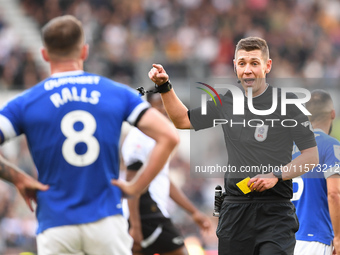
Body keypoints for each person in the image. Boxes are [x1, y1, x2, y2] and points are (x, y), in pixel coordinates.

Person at [0, 15, 179, 255]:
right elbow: (169, 136)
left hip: (55, 223)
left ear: (44, 54)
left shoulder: (26, 102)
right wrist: (136, 187)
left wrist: (18, 178)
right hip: (106, 221)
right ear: (84, 51)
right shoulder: (116, 93)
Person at [148, 37, 319, 255]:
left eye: (254, 63)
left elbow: (311, 156)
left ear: (268, 66)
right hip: (235, 210)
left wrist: (276, 175)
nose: (247, 70)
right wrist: (164, 86)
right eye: (242, 63)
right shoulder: (226, 101)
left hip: (275, 212)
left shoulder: (288, 105)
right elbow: (182, 120)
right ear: (235, 66)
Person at [121, 92, 211, 255]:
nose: (164, 109)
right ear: (148, 108)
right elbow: (131, 182)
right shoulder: (140, 137)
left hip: (151, 212)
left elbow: (163, 179)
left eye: (165, 104)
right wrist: (135, 226)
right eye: (159, 105)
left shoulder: (158, 136)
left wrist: (193, 212)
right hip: (145, 212)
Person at [292, 90, 340, 255]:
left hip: (284, 239)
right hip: (314, 237)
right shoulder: (331, 146)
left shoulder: (286, 148)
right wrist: (338, 237)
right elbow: (334, 193)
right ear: (332, 114)